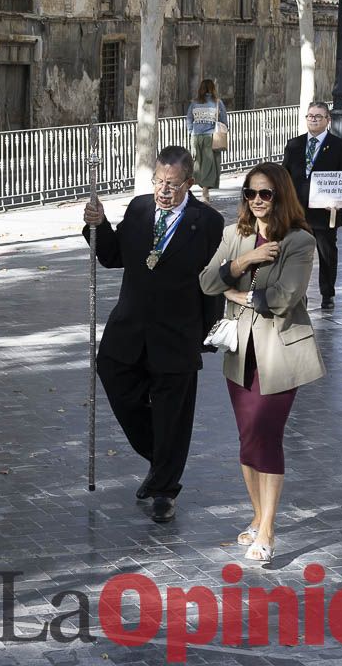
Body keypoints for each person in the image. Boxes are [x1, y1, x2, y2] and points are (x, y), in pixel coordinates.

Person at [82, 146, 224, 523]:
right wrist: (98, 226)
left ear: (189, 183)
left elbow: (214, 284)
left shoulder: (207, 222)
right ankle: (161, 456)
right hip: (129, 329)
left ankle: (164, 488)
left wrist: (208, 335)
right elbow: (114, 255)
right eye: (159, 182)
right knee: (115, 379)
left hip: (178, 333)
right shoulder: (140, 208)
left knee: (172, 415)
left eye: (172, 185)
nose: (163, 191)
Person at [198, 163, 325, 564]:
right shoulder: (235, 235)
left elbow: (285, 298)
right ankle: (257, 515)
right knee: (247, 439)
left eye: (265, 193)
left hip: (281, 354)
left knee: (266, 438)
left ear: (280, 196)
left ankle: (268, 530)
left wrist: (239, 296)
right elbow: (206, 282)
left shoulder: (300, 241)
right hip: (241, 353)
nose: (256, 200)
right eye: (250, 193)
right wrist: (243, 261)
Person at [282, 102, 342, 311]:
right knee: (295, 254)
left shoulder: (340, 146)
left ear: (327, 120)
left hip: (325, 213)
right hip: (297, 212)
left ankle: (327, 294)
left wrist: (338, 201)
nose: (313, 119)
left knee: (326, 254)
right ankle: (298, 293)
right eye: (310, 116)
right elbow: (284, 176)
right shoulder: (294, 145)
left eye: (318, 116)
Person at [186, 79, 228, 203]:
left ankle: (198, 190)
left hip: (196, 137)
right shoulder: (217, 103)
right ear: (213, 89)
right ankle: (205, 192)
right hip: (211, 137)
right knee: (210, 165)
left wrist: (191, 132)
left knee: (197, 163)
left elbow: (189, 119)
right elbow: (224, 120)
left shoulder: (194, 103)